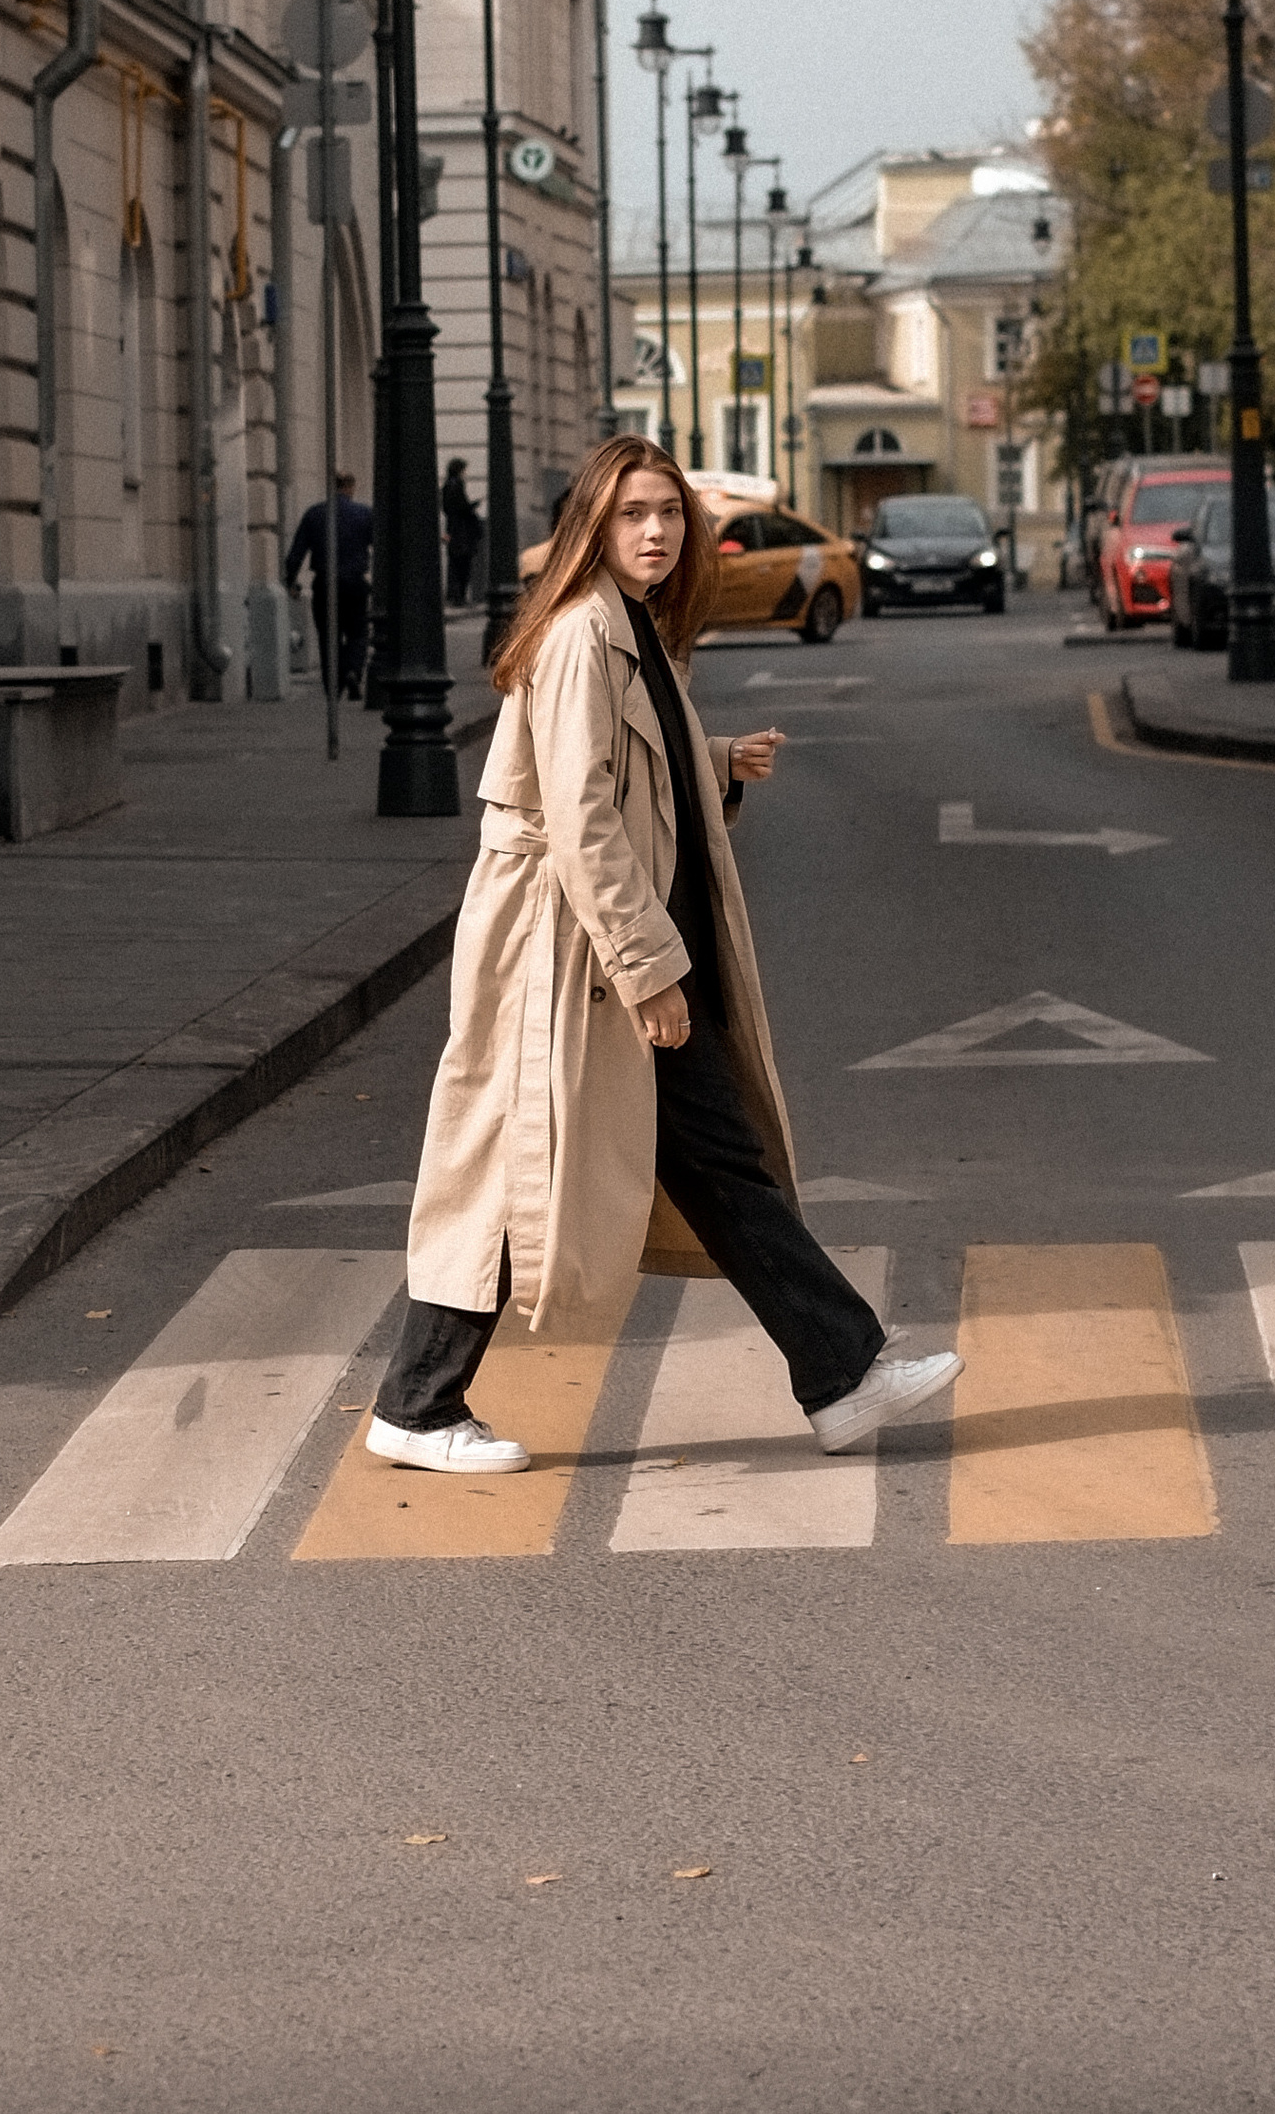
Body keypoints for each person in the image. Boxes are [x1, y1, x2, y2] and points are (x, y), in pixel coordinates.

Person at [367, 433, 963, 1475]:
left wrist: (715, 758)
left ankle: (840, 1368)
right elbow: (583, 815)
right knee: (517, 1168)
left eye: (670, 513)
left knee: (706, 1162)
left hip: (609, 951)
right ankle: (417, 1405)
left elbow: (620, 766)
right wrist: (650, 970)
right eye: (634, 513)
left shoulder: (624, 626)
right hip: (573, 956)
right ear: (592, 526)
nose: (656, 531)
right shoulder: (574, 638)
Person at [284, 470, 373, 700]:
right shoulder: (364, 513)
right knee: (358, 632)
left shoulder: (314, 514)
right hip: (354, 583)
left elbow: (297, 552)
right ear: (351, 488)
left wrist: (291, 581)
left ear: (331, 487)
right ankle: (353, 669)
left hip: (324, 583)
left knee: (328, 636)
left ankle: (333, 688)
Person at [441, 455, 484, 610]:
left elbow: (448, 509)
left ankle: (455, 595)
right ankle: (459, 596)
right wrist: (473, 505)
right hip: (461, 532)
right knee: (462, 565)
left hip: (455, 530)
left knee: (455, 564)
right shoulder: (456, 485)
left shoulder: (447, 485)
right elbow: (462, 508)